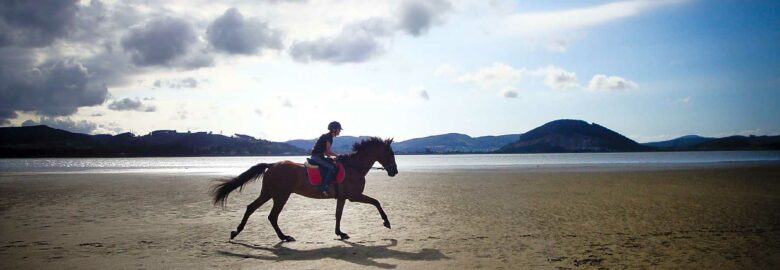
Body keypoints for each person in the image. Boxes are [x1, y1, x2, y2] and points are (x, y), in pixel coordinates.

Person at [310, 121, 342, 196]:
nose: (340, 131)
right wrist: (338, 156)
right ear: (334, 129)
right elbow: (328, 151)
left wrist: (333, 158)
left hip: (319, 156)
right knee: (331, 168)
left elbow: (327, 153)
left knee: (333, 164)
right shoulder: (329, 137)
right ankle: (324, 187)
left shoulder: (328, 136)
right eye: (339, 129)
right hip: (317, 157)